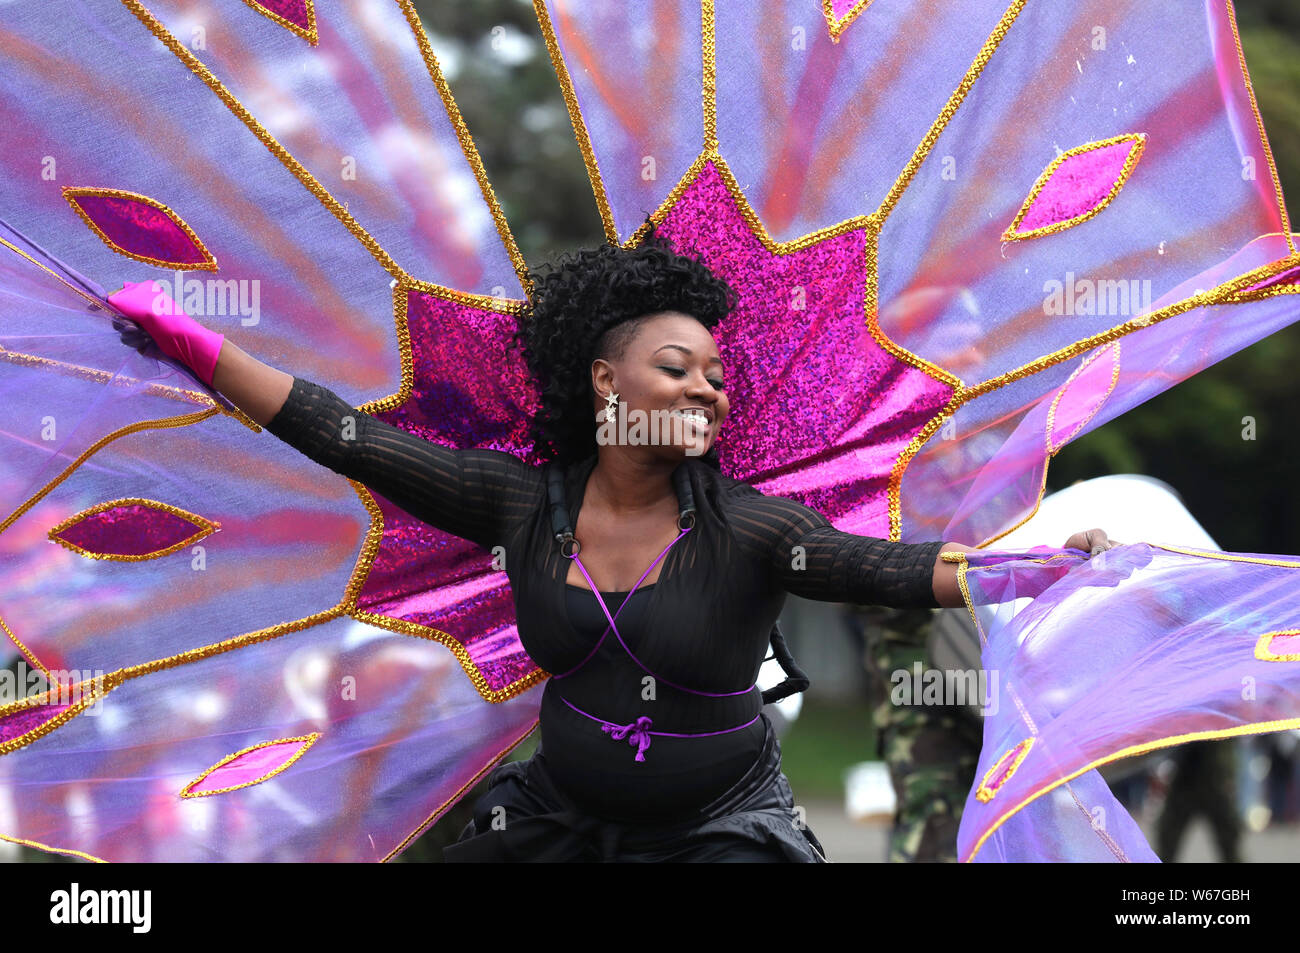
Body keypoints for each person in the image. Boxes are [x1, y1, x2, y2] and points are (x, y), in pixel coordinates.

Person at [105, 236, 1118, 862]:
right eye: (676, 365)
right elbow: (344, 435)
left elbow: (881, 566)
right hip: (553, 816)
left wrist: (1011, 568)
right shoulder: (517, 504)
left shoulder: (753, 527)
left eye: (718, 376)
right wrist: (199, 346)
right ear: (604, 382)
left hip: (723, 830)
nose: (706, 388)